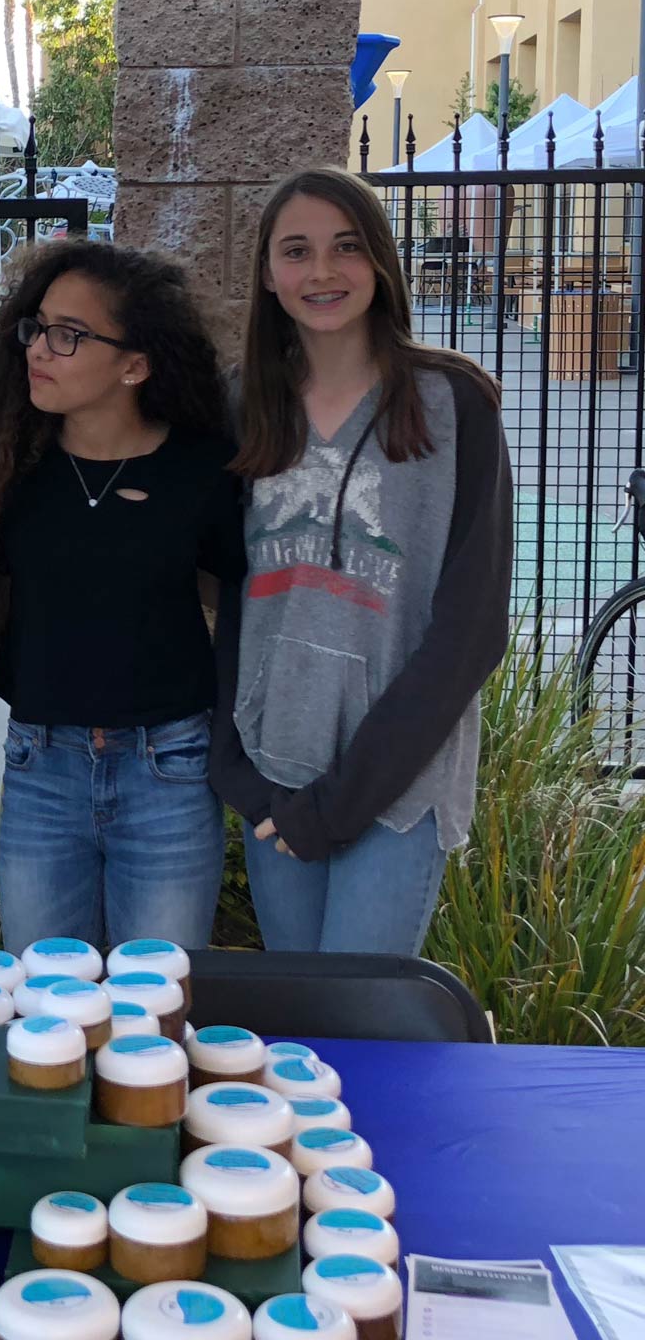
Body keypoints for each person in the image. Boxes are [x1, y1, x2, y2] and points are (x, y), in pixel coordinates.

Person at [210, 167, 513, 954]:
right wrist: (238, 771)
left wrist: (343, 803)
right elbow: (228, 597)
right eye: (297, 251)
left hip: (395, 785)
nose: (322, 272)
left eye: (346, 247)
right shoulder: (244, 405)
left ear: (380, 260)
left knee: (361, 1024)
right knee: (308, 1034)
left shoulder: (454, 405)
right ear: (269, 276)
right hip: (279, 771)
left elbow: (472, 630)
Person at [0, 239, 243, 953]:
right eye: (38, 327)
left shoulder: (202, 469)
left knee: (151, 1015)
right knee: (48, 1016)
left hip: (169, 774)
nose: (39, 348)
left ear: (135, 364)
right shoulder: (7, 467)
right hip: (40, 771)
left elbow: (240, 596)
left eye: (70, 335)